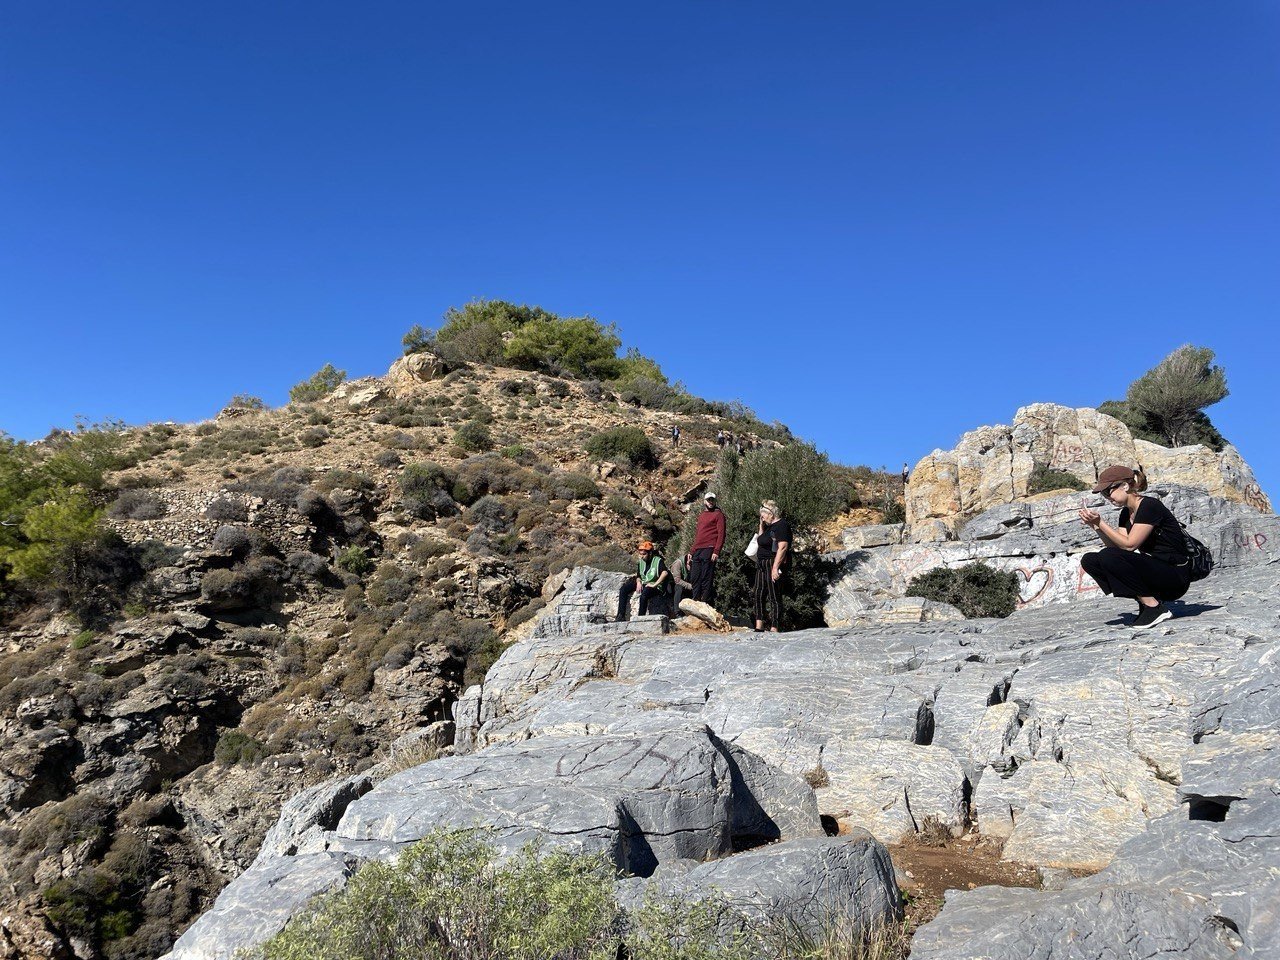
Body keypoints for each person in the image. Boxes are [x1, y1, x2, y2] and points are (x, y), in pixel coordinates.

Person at [1078, 465, 1191, 628]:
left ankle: (1154, 607)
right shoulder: (1125, 513)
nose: (1107, 498)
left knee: (1108, 555)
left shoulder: (1149, 506)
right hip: (1156, 570)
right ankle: (1145, 602)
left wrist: (1101, 522)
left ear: (1125, 486)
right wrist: (1095, 526)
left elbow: (1130, 545)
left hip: (1175, 575)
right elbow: (1116, 548)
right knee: (1091, 560)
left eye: (1107, 491)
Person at [753, 500, 791, 632]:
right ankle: (759, 625)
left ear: (770, 513)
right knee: (758, 593)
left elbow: (783, 547)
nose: (762, 518)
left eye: (763, 515)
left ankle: (774, 626)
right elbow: (761, 538)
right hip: (762, 563)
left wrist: (775, 568)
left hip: (772, 562)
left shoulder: (781, 525)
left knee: (774, 595)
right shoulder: (768, 527)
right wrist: (761, 524)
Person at [687, 492, 726, 605]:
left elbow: (721, 533)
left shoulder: (718, 515)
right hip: (698, 549)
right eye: (708, 500)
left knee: (706, 577)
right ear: (704, 501)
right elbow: (698, 534)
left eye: (712, 500)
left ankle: (704, 602)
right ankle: (695, 600)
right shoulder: (702, 515)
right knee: (695, 577)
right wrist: (692, 551)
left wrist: (716, 550)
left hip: (709, 548)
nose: (710, 502)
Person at [616, 540, 671, 621]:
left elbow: (665, 572)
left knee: (644, 595)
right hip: (644, 582)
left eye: (644, 554)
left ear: (650, 553)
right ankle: (620, 615)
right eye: (640, 554)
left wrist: (655, 584)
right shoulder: (641, 562)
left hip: (655, 586)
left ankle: (640, 618)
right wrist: (638, 582)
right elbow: (639, 575)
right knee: (624, 589)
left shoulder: (658, 560)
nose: (642, 556)